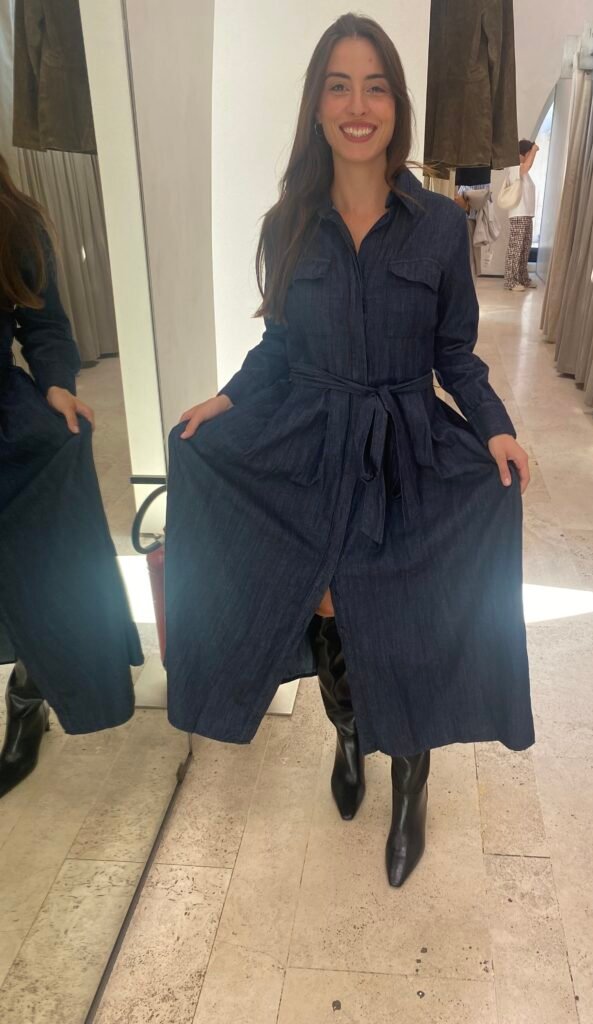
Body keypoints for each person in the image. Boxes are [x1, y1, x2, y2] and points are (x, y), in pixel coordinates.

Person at [166, 13, 534, 888]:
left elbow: (454, 356)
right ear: (317, 105)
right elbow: (279, 348)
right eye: (339, 87)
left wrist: (495, 426)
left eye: (375, 88)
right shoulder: (286, 224)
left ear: (396, 106)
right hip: (312, 437)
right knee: (327, 605)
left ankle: (410, 782)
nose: (357, 106)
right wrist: (226, 400)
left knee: (403, 611)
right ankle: (348, 733)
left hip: (405, 446)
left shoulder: (438, 226)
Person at [0, 154, 141, 798]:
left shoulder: (14, 220)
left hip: (8, 425)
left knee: (46, 574)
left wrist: (57, 383)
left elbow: (45, 325)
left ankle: (29, 693)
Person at [503, 139, 539, 292]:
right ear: (524, 153)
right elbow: (526, 167)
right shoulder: (514, 166)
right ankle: (510, 281)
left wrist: (532, 151)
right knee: (515, 249)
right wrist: (534, 150)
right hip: (518, 214)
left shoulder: (522, 170)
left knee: (524, 249)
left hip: (527, 214)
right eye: (529, 153)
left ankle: (523, 278)